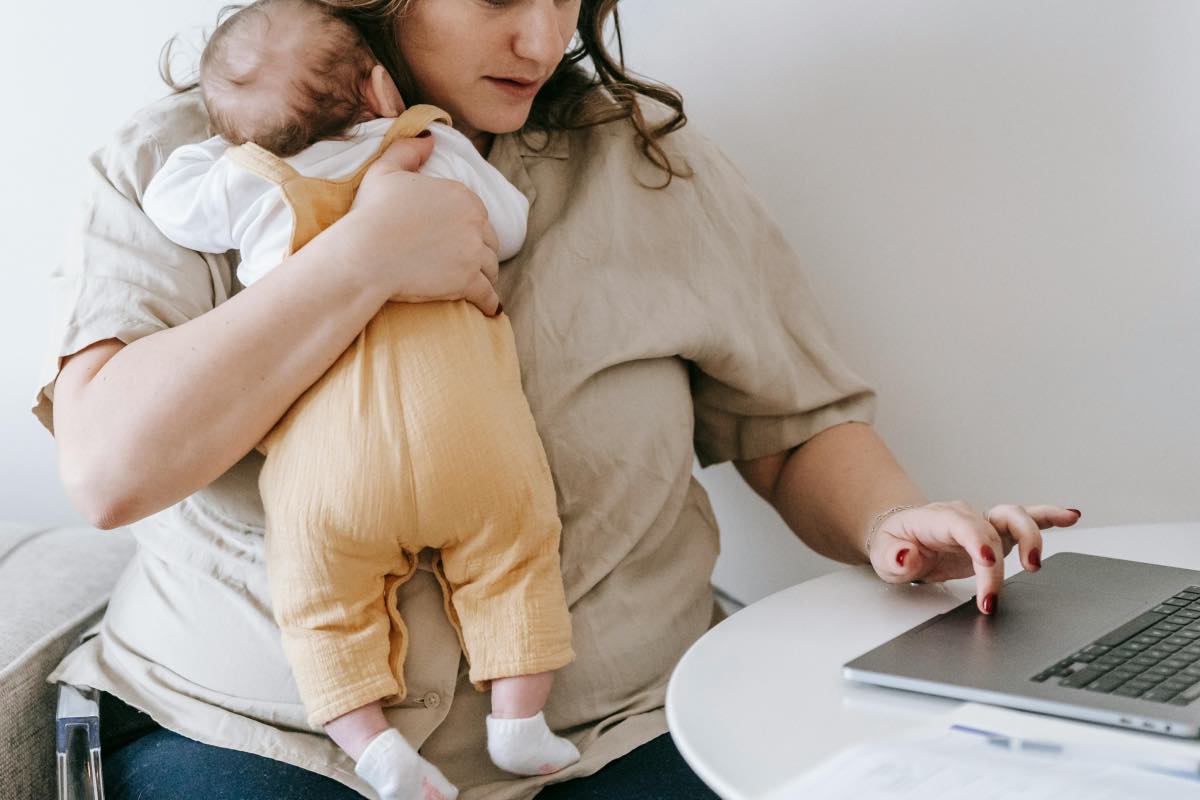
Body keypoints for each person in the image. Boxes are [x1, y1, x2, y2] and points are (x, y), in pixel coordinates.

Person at [35, 0, 1082, 798]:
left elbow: (790, 424)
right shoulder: (191, 163)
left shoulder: (649, 168)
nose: (543, 38)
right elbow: (110, 466)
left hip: (622, 725)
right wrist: (361, 259)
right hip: (261, 732)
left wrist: (886, 520)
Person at [140, 2, 580, 796]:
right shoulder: (427, 145)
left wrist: (226, 142)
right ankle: (519, 721)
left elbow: (171, 204)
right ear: (379, 81)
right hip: (469, 434)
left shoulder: (254, 181)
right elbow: (508, 227)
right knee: (518, 555)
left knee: (318, 600)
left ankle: (372, 748)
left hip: (331, 465)